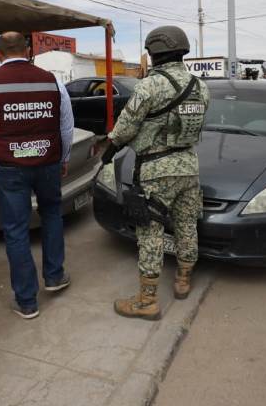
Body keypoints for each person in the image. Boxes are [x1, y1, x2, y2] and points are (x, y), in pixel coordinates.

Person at [101, 25, 210, 321]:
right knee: (187, 224)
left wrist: (108, 149)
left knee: (150, 231)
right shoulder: (200, 86)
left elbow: (126, 125)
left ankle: (147, 300)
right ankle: (184, 279)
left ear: (155, 52)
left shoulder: (150, 85)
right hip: (188, 165)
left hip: (156, 169)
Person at [0, 31, 74, 319]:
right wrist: (63, 158)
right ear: (28, 51)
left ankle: (27, 301)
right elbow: (66, 128)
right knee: (52, 215)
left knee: (15, 230)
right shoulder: (53, 82)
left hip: (10, 168)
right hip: (48, 164)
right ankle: (54, 276)